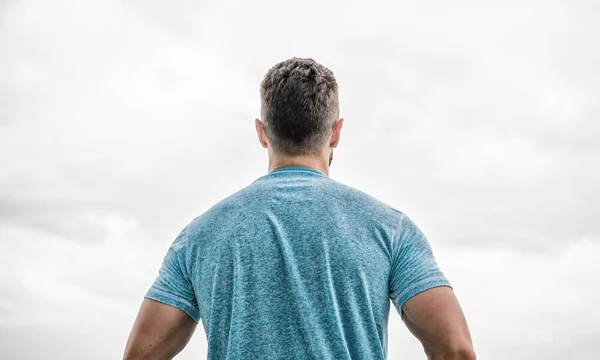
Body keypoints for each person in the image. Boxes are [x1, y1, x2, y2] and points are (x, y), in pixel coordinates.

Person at [123, 57, 476, 360]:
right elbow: (456, 350)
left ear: (262, 133)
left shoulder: (199, 236)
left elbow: (140, 354)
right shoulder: (390, 229)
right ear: (335, 133)